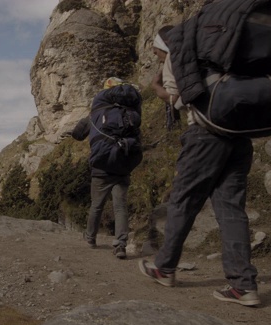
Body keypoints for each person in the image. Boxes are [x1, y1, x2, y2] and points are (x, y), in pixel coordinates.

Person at [139, 23, 260, 306]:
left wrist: (159, 89)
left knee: (183, 201)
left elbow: (181, 100)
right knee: (231, 209)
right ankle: (244, 286)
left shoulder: (177, 56)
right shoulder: (220, 56)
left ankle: (164, 268)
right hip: (239, 135)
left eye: (157, 53)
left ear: (163, 46)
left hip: (205, 135)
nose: (158, 58)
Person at [72, 77, 142, 260]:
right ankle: (120, 245)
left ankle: (90, 238)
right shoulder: (130, 111)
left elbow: (77, 135)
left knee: (96, 205)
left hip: (102, 167)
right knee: (120, 207)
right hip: (123, 165)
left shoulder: (96, 112)